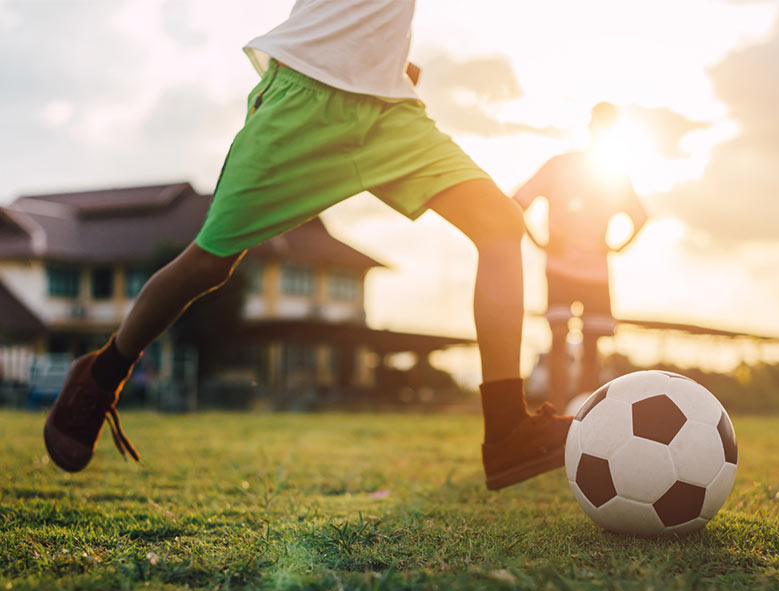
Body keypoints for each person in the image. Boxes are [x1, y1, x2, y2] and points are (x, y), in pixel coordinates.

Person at [43, 0, 570, 490]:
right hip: (303, 101)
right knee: (209, 264)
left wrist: (385, 62)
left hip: (389, 112)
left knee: (501, 224)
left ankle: (506, 430)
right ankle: (102, 373)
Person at [514, 103, 648, 411]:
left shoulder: (615, 175)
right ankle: (558, 411)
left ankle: (584, 413)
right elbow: (518, 202)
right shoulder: (558, 165)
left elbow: (640, 217)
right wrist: (540, 242)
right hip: (559, 268)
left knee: (591, 343)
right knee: (559, 339)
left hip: (596, 272)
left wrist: (614, 247)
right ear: (590, 126)